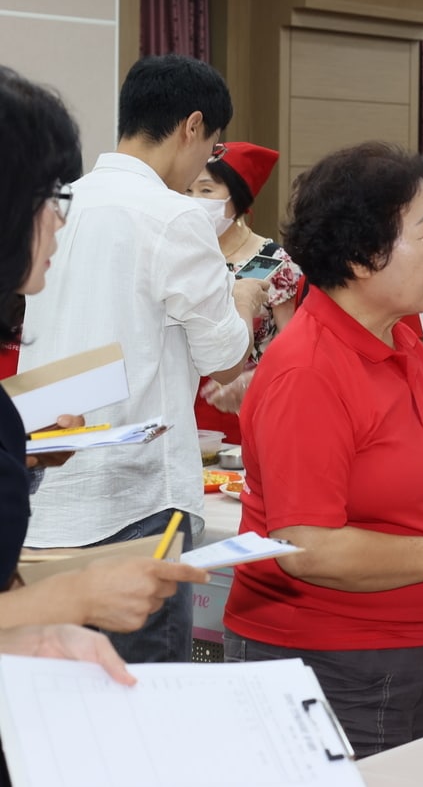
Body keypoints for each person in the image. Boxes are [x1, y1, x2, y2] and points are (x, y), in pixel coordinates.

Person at [222, 142, 423, 757]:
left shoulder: (406, 335)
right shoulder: (308, 370)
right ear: (364, 257)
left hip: (407, 643)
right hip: (321, 656)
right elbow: (306, 547)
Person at [17, 54, 268, 663]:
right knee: (141, 701)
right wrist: (243, 299)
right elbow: (225, 354)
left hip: (46, 491)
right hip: (136, 502)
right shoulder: (175, 216)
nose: (203, 164)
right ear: (193, 126)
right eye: (210, 148)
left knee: (64, 703)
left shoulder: (61, 201)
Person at [0, 65, 207, 631]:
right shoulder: (174, 216)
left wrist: (22, 453)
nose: (59, 221)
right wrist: (76, 599)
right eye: (47, 198)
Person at [188, 141, 302, 443]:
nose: (194, 200)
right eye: (188, 191)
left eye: (206, 190)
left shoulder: (271, 262)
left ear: (236, 198)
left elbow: (292, 345)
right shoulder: (185, 257)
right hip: (187, 404)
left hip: (249, 401)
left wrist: (252, 379)